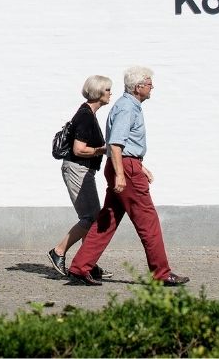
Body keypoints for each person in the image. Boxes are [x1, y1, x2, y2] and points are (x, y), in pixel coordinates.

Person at [67, 66, 189, 286]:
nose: (153, 87)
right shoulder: (127, 108)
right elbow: (115, 144)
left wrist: (139, 167)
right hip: (125, 169)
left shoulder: (127, 106)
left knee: (107, 220)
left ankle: (79, 268)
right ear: (139, 87)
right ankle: (161, 273)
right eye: (150, 83)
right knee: (148, 222)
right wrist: (123, 174)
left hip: (127, 166)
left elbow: (125, 146)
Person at [47, 75, 113, 281]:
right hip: (77, 169)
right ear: (98, 92)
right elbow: (79, 149)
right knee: (90, 217)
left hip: (83, 170)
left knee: (92, 216)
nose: (111, 93)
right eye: (108, 90)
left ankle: (88, 263)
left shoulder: (89, 114)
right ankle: (58, 251)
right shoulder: (85, 115)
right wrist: (103, 150)